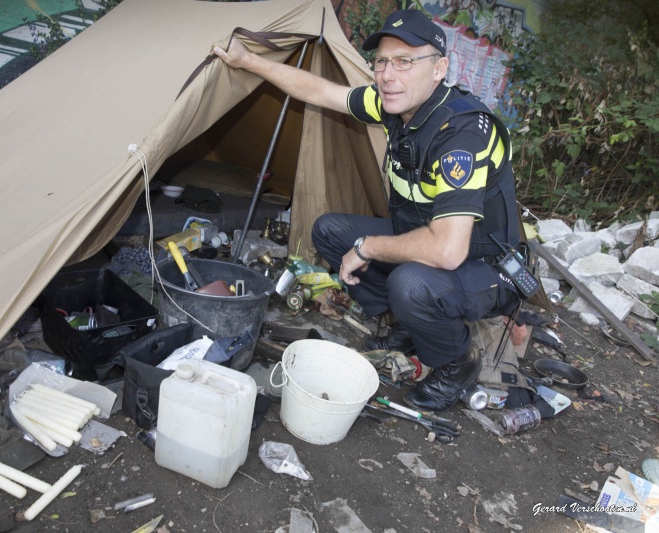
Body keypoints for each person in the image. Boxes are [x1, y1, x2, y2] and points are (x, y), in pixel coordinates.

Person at [214, 10, 523, 412]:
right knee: (329, 230)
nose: (388, 75)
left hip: (486, 264)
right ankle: (409, 326)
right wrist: (249, 61)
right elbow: (323, 93)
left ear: (438, 68)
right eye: (381, 62)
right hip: (425, 237)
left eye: (405, 61)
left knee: (409, 282)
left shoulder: (461, 133)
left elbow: (447, 250)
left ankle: (457, 362)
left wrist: (370, 248)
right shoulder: (394, 105)